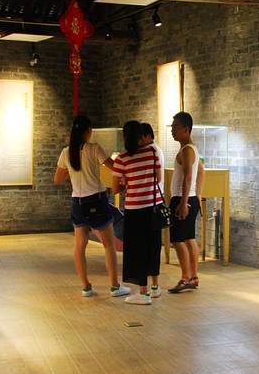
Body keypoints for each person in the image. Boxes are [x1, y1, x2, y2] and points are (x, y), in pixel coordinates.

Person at [54, 115, 130, 298]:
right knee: (108, 244)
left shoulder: (66, 152)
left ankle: (86, 287)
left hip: (78, 203)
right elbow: (113, 166)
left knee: (80, 246)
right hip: (97, 200)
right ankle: (114, 286)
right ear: (88, 131)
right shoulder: (94, 148)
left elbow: (57, 179)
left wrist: (71, 170)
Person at [112, 120, 163, 305]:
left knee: (137, 250)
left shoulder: (121, 159)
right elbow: (158, 178)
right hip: (153, 207)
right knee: (153, 246)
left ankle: (143, 292)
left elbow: (115, 188)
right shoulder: (152, 153)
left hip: (135, 209)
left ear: (125, 137)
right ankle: (155, 287)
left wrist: (127, 182)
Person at [167, 111, 205, 293]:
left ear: (186, 129)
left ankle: (185, 278)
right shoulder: (190, 149)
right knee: (189, 238)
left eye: (176, 127)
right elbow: (201, 171)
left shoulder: (188, 150)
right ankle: (193, 277)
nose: (172, 130)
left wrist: (183, 202)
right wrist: (197, 195)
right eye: (172, 127)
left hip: (183, 200)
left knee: (177, 240)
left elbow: (189, 176)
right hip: (189, 198)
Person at [140, 122, 165, 192]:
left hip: (152, 192)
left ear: (148, 136)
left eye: (141, 138)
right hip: (155, 191)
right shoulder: (155, 149)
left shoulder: (151, 150)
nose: (139, 141)